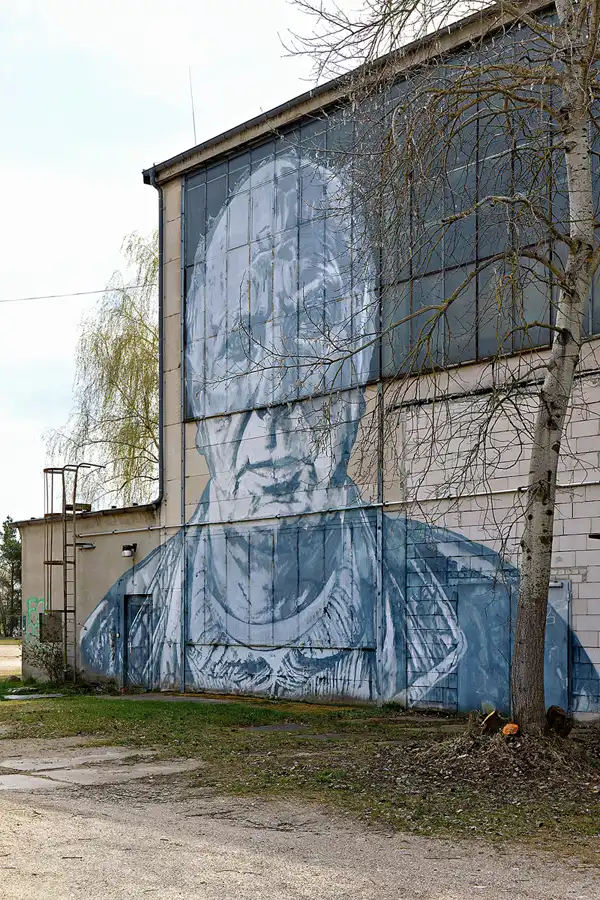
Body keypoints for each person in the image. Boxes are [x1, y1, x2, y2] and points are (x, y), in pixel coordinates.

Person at [81, 151, 568, 711]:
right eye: (237, 342)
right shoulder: (114, 632)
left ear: (360, 371)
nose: (276, 393)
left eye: (313, 326)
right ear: (197, 386)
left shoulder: (502, 619)